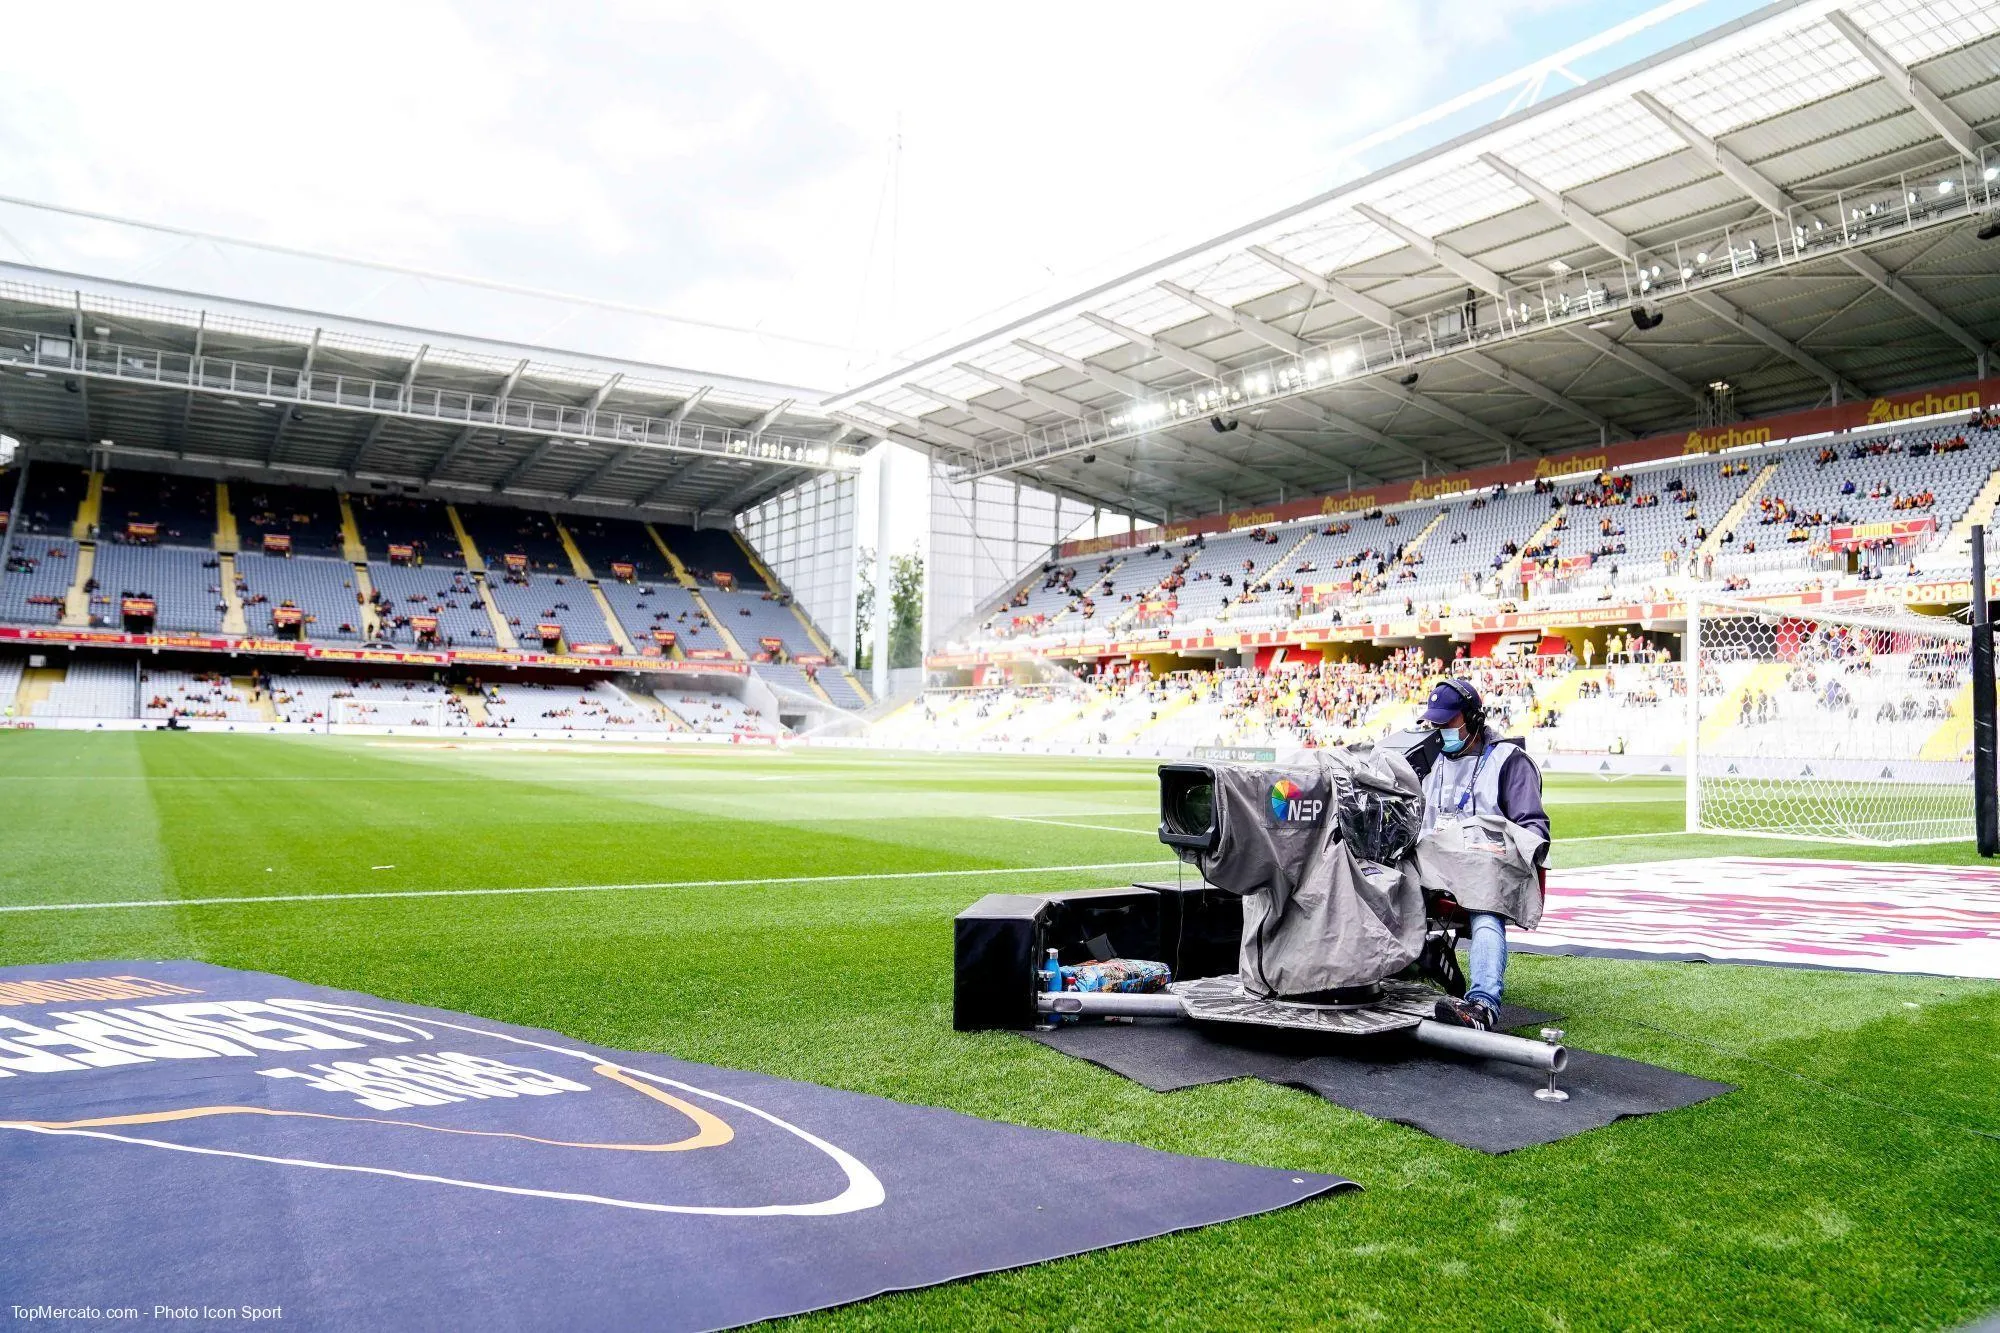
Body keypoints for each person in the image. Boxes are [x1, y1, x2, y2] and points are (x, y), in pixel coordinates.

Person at [1414, 679, 1551, 1032]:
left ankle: (1483, 1005)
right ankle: (1411, 963)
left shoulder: (1509, 761)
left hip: (1485, 869)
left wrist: (1493, 847)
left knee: (1484, 905)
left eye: (1447, 721)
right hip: (1434, 866)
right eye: (1434, 723)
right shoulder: (1430, 760)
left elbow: (1535, 831)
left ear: (1473, 718)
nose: (1440, 729)